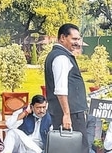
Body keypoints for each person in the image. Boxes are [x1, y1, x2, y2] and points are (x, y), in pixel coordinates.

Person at [44, 23, 89, 153]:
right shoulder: (61, 57)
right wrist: (67, 115)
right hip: (70, 113)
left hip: (68, 112)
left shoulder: (59, 55)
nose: (77, 42)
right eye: (74, 39)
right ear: (62, 37)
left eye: (78, 39)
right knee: (77, 148)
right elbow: (60, 89)